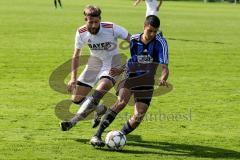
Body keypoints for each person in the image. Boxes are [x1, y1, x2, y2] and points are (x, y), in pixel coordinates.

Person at [90, 15, 169, 147]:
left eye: (155, 31)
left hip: (147, 81)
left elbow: (165, 67)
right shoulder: (134, 40)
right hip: (131, 76)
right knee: (121, 102)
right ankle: (96, 135)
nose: (152, 34)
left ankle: (118, 136)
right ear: (144, 27)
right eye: (150, 30)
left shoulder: (161, 43)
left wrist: (163, 78)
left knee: (138, 116)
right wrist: (121, 69)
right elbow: (133, 60)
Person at [60, 5, 131, 131]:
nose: (93, 25)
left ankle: (72, 122)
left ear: (100, 20)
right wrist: (73, 78)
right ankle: (99, 109)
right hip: (93, 65)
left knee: (99, 91)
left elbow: (133, 41)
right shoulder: (81, 32)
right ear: (85, 19)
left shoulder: (111, 28)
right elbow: (76, 55)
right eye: (90, 22)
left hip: (112, 66)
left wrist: (128, 64)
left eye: (96, 22)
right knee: (76, 98)